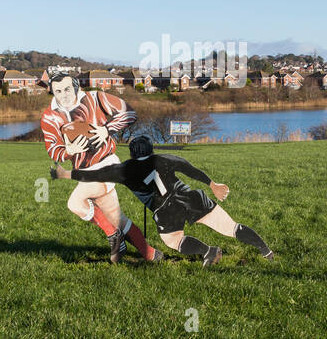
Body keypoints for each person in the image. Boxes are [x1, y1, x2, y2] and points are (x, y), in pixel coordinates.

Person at [50, 136, 274, 266]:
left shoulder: (124, 170)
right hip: (190, 197)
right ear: (151, 150)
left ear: (132, 153)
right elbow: (190, 169)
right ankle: (266, 251)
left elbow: (92, 175)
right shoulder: (164, 158)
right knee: (231, 227)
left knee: (173, 241)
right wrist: (212, 184)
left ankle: (208, 251)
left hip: (165, 211)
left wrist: (65, 174)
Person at [40, 71, 159, 264]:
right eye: (58, 91)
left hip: (106, 164)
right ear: (53, 92)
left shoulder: (95, 98)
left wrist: (106, 129)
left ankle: (114, 237)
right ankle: (151, 254)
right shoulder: (49, 116)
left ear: (76, 87)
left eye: (68, 89)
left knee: (75, 203)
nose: (64, 94)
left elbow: (129, 113)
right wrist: (68, 150)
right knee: (118, 219)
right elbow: (53, 150)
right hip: (84, 172)